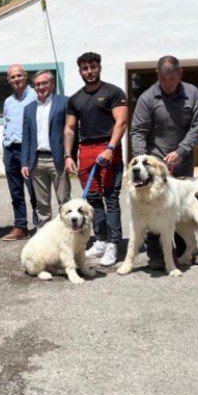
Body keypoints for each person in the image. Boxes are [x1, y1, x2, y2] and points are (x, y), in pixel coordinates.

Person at [130, 56, 198, 270]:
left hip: (183, 161)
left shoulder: (193, 93)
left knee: (180, 207)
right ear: (157, 76)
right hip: (155, 164)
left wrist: (181, 151)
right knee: (154, 206)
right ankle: (156, 255)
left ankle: (186, 252)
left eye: (171, 79)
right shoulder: (147, 98)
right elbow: (138, 131)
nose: (167, 83)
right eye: (163, 79)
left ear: (180, 74)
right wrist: (143, 161)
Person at [64, 52, 128, 266]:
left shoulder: (113, 92)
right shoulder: (75, 98)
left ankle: (114, 244)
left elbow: (121, 123)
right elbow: (70, 128)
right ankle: (100, 239)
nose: (89, 72)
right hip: (86, 150)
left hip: (108, 148)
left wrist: (110, 148)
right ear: (80, 71)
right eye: (85, 68)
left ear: (99, 67)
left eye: (93, 67)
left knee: (111, 198)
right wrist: (68, 155)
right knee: (92, 199)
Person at [22, 71, 71, 226]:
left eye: (44, 83)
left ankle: (67, 233)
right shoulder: (29, 108)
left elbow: (71, 130)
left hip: (58, 159)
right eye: (37, 84)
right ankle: (44, 236)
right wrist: (24, 162)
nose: (41, 87)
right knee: (42, 205)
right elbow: (26, 137)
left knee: (64, 201)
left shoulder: (64, 102)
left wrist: (70, 156)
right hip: (37, 161)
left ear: (52, 84)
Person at [1, 64, 37, 241]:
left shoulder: (35, 96)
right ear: (8, 80)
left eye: (18, 76)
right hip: (10, 149)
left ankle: (40, 227)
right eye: (12, 77)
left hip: (28, 149)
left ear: (25, 76)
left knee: (34, 190)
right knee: (15, 192)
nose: (16, 79)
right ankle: (21, 226)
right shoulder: (8, 101)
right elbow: (7, 125)